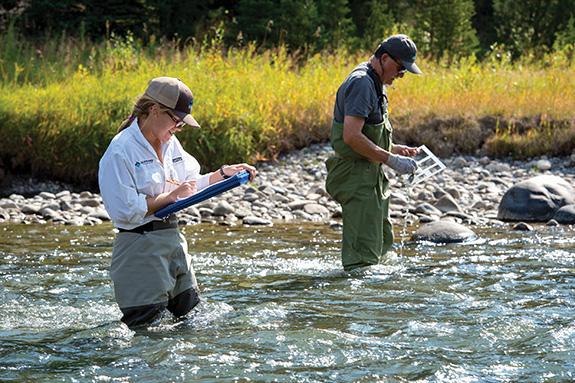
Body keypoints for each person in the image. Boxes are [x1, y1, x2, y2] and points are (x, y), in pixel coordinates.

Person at [98, 76, 257, 328]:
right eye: (176, 120)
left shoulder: (172, 143)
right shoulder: (120, 151)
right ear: (153, 110)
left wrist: (224, 174)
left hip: (173, 243)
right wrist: (169, 197)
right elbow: (125, 210)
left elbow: (191, 184)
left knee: (193, 320)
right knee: (146, 332)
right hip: (139, 249)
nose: (178, 127)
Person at [325, 34, 422, 272]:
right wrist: (391, 160)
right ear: (385, 58)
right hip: (356, 176)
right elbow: (351, 136)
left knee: (382, 244)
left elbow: (366, 134)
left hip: (371, 176)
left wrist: (397, 150)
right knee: (362, 260)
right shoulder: (361, 83)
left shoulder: (376, 81)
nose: (401, 75)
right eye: (401, 68)